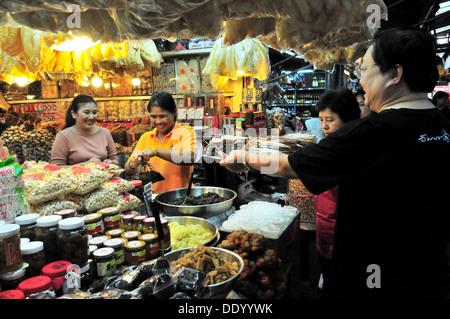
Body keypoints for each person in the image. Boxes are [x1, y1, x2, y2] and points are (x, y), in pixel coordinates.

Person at [220, 27, 450, 298]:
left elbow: (287, 166)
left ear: (394, 74)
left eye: (364, 70)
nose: (361, 81)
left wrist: (244, 158)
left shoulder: (373, 132)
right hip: (430, 276)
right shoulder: (444, 127)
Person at [313, 87, 360, 290]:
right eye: (321, 120)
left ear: (347, 117)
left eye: (329, 120)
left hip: (346, 232)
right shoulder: (328, 143)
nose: (324, 125)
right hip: (324, 225)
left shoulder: (355, 146)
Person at [125, 92, 197, 193]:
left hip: (181, 199)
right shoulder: (146, 137)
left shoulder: (185, 132)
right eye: (153, 117)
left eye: (162, 116)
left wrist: (155, 151)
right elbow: (128, 171)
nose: (158, 121)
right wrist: (133, 164)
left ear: (174, 113)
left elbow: (190, 158)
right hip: (154, 199)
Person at [51, 94, 119, 166]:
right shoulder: (63, 136)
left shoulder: (105, 133)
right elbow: (56, 168)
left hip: (104, 177)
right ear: (74, 114)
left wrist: (111, 162)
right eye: (86, 112)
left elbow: (115, 161)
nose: (91, 117)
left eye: (94, 113)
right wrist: (84, 165)